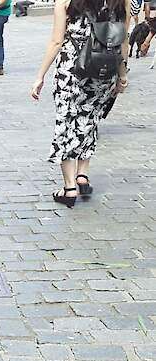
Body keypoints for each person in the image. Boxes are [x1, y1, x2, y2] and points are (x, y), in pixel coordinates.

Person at [30, 0, 128, 207]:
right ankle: (82, 175)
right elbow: (122, 39)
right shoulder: (119, 1)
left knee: (67, 123)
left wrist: (40, 76)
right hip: (103, 69)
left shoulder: (65, 1)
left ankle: (69, 188)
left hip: (72, 69)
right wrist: (122, 76)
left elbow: (57, 41)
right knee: (89, 119)